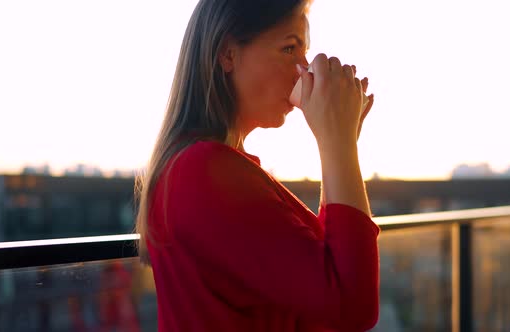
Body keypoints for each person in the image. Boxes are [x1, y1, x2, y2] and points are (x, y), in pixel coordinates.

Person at [134, 0, 380, 331]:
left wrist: (341, 140)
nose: (303, 69)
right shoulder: (203, 171)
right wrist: (338, 144)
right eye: (289, 48)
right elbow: (352, 306)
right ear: (228, 54)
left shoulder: (205, 166)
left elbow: (324, 275)